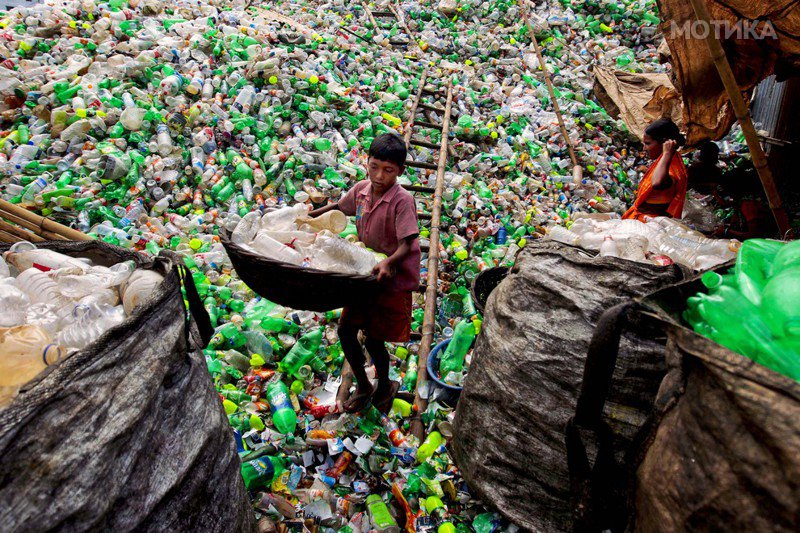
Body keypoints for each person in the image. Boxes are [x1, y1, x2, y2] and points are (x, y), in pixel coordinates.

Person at [308, 133, 420, 413]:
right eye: (374, 167)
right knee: (346, 331)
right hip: (364, 275)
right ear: (367, 163)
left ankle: (383, 383)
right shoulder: (361, 190)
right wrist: (309, 217)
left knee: (374, 338)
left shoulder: (402, 201)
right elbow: (338, 208)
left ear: (400, 172)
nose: (379, 175)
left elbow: (408, 243)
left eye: (388, 170)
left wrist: (389, 263)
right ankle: (363, 382)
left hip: (389, 278)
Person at [623, 118, 688, 222]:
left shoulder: (671, 165)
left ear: (664, 143)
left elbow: (657, 183)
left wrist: (667, 153)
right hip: (643, 219)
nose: (644, 148)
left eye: (648, 143)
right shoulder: (663, 162)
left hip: (651, 223)